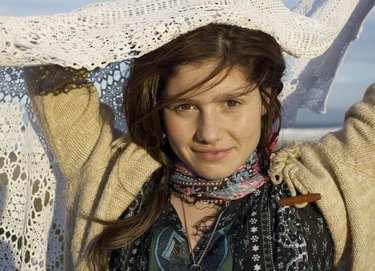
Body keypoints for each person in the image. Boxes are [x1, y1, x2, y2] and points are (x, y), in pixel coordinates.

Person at [23, 23, 374, 271]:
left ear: (265, 99)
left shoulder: (323, 183)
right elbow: (51, 64)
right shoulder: (110, 173)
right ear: (160, 108)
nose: (209, 133)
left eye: (231, 103)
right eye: (185, 106)